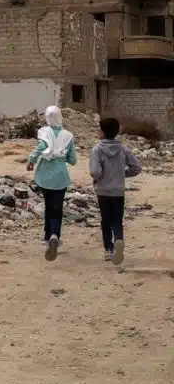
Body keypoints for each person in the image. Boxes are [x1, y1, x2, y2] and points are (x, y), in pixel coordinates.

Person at [26, 106, 77, 262]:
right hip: (60, 177)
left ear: (47, 118)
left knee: (48, 206)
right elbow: (73, 160)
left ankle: (48, 236)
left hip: (45, 176)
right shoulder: (68, 136)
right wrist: (62, 156)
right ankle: (55, 234)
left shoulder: (44, 132)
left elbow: (41, 147)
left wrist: (31, 160)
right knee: (57, 208)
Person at [89, 117, 142, 265]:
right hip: (118, 191)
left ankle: (108, 249)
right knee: (117, 220)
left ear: (102, 132)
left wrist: (100, 176)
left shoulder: (96, 150)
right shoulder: (123, 149)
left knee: (105, 220)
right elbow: (137, 168)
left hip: (103, 191)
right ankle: (119, 239)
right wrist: (121, 173)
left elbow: (94, 171)